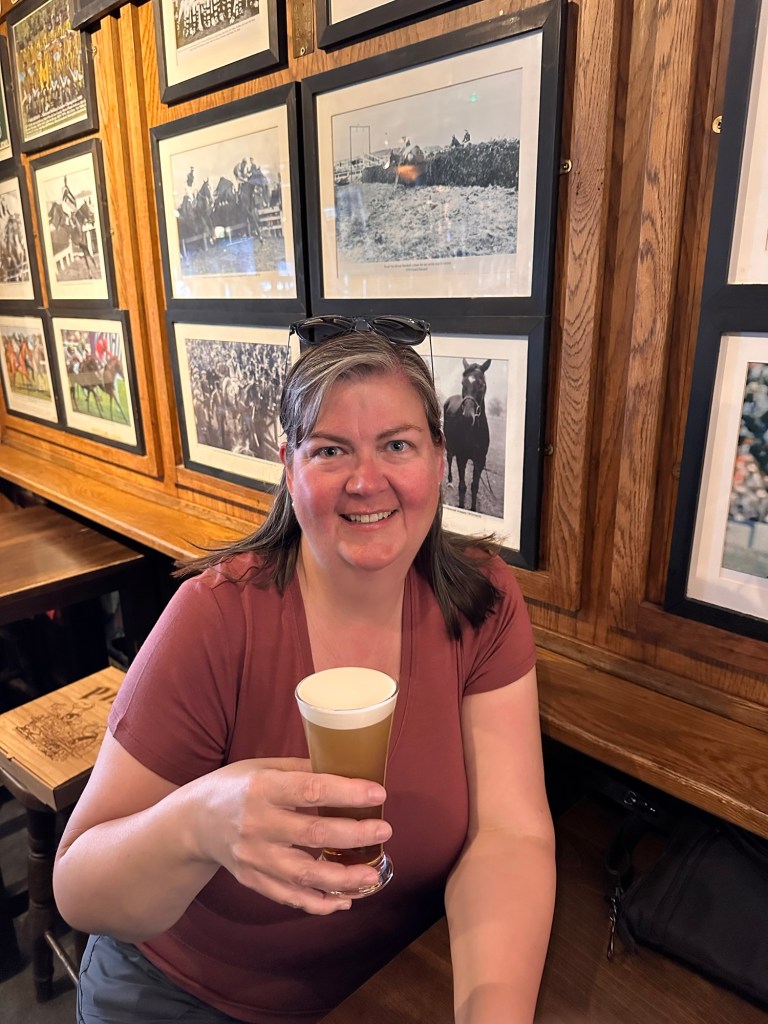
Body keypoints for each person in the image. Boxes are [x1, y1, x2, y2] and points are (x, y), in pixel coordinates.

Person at [54, 317, 555, 1024]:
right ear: (289, 468)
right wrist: (198, 824)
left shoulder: (483, 600)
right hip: (182, 995)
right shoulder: (216, 616)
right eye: (330, 450)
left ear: (440, 460)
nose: (366, 481)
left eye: (398, 445)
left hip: (382, 984)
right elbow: (80, 888)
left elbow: (510, 835)